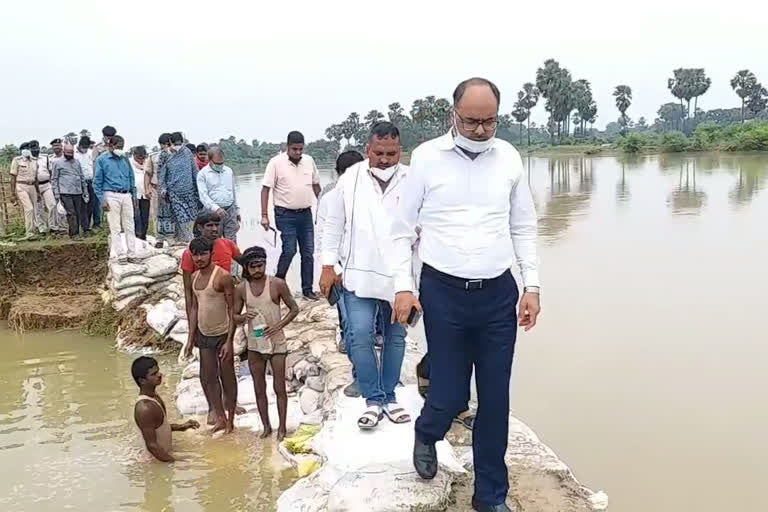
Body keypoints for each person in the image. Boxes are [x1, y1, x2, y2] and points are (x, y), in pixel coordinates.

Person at [390, 78, 541, 512]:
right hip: (443, 292)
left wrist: (531, 285)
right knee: (451, 393)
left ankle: (490, 497)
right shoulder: (426, 159)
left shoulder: (509, 158)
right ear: (453, 115)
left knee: (495, 399)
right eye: (472, 121)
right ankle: (427, 432)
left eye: (489, 121)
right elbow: (401, 230)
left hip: (497, 294)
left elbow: (524, 226)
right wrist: (403, 286)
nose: (480, 129)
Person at [319, 122, 411, 430]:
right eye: (379, 153)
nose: (385, 160)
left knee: (396, 336)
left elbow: (425, 232)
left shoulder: (412, 180)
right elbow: (333, 223)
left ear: (400, 151)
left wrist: (416, 284)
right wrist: (328, 265)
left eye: (392, 153)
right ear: (368, 149)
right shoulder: (351, 178)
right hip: (358, 273)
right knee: (359, 335)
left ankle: (389, 396)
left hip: (400, 277)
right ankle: (373, 398)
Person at [233, 246, 299, 441]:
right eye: (252, 266)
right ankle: (266, 427)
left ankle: (282, 428)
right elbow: (234, 316)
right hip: (255, 345)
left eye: (260, 265)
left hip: (277, 342)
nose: (257, 270)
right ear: (246, 267)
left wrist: (279, 325)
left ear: (265, 263)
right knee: (259, 387)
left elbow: (294, 309)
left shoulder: (277, 284)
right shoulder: (241, 289)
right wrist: (244, 316)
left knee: (280, 388)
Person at [315, 150, 364, 397]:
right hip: (343, 274)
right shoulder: (330, 199)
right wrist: (330, 269)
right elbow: (323, 236)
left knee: (384, 329)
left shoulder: (377, 197)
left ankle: (385, 378)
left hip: (373, 272)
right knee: (353, 325)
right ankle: (360, 375)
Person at [183, 237, 238, 434]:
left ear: (211, 254)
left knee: (227, 376)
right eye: (195, 255)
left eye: (203, 253)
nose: (199, 258)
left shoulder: (223, 277)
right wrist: (190, 339)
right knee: (208, 376)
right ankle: (220, 416)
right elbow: (194, 308)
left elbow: (233, 309)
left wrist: (230, 341)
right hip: (204, 335)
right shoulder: (194, 278)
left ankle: (231, 418)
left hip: (223, 334)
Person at [261, 131, 322, 300]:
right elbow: (266, 189)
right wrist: (264, 215)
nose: (298, 153)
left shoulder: (309, 161)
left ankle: (307, 290)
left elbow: (316, 186)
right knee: (289, 249)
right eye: (294, 149)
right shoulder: (276, 163)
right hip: (285, 214)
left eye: (301, 149)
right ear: (287, 147)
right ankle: (278, 284)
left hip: (305, 214)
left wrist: (325, 206)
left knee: (308, 252)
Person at [132, 356, 199, 462]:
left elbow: (161, 428)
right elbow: (152, 446)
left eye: (158, 371)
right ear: (142, 380)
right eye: (153, 374)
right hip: (155, 462)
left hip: (163, 457)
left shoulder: (154, 397)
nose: (159, 375)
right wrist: (174, 463)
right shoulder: (145, 408)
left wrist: (182, 427)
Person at [180, 213, 242, 321]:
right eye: (209, 226)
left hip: (227, 299)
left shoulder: (228, 244)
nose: (214, 229)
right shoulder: (190, 253)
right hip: (204, 303)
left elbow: (246, 263)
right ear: (200, 228)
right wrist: (191, 320)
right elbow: (188, 290)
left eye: (217, 225)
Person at [94, 135, 139, 264]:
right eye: (118, 146)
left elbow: (131, 177)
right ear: (111, 146)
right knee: (115, 227)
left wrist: (133, 195)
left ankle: (132, 253)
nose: (120, 149)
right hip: (111, 194)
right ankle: (120, 254)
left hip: (126, 194)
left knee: (130, 225)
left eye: (122, 147)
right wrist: (102, 200)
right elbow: (97, 181)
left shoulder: (124, 159)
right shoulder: (102, 160)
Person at [158, 132, 200, 243]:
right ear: (170, 143)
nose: (177, 146)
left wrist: (199, 187)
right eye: (175, 144)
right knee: (180, 216)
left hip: (189, 191)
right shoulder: (165, 155)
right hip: (174, 192)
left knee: (190, 216)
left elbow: (194, 170)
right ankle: (188, 240)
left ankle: (181, 238)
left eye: (179, 143)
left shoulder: (187, 152)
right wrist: (162, 188)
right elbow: (161, 173)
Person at [197, 146, 240, 242]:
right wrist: (216, 208)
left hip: (230, 209)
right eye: (217, 163)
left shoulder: (228, 171)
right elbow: (203, 196)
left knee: (232, 240)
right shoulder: (203, 174)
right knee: (214, 240)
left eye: (222, 163)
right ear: (210, 160)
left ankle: (232, 257)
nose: (220, 165)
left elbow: (233, 191)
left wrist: (237, 211)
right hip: (212, 213)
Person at [51, 143, 89, 238]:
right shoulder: (57, 163)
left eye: (71, 152)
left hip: (77, 191)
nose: (70, 154)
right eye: (68, 152)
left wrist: (85, 191)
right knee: (71, 213)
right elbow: (54, 179)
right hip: (65, 192)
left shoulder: (76, 162)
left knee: (78, 212)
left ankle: (77, 231)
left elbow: (81, 177)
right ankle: (74, 234)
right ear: (64, 152)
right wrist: (56, 193)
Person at [29, 139, 63, 235]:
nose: (36, 150)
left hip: (47, 184)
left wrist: (52, 184)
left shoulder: (45, 158)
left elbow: (50, 171)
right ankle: (42, 228)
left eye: (37, 147)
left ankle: (53, 227)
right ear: (30, 149)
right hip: (34, 187)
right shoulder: (28, 159)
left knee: (52, 205)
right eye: (33, 148)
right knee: (38, 208)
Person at [9, 142, 39, 239]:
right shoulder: (17, 160)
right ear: (21, 150)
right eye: (25, 148)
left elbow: (36, 177)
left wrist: (38, 192)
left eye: (28, 147)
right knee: (29, 208)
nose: (27, 149)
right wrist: (12, 194)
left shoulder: (34, 161)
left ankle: (35, 231)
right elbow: (13, 177)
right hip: (21, 186)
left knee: (35, 209)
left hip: (32, 186)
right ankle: (29, 233)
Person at [150, 133, 174, 242]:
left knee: (171, 214)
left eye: (169, 144)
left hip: (172, 190)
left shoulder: (176, 156)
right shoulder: (154, 157)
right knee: (157, 213)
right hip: (156, 189)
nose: (167, 146)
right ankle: (159, 238)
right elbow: (148, 173)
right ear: (161, 144)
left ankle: (171, 237)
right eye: (165, 144)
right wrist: (147, 189)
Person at [75, 136, 98, 233]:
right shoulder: (75, 155)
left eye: (86, 147)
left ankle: (87, 225)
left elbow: (93, 165)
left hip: (91, 181)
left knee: (91, 205)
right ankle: (84, 227)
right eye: (83, 147)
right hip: (80, 183)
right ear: (79, 145)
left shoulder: (90, 153)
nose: (84, 149)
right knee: (83, 206)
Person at [130, 146, 151, 240]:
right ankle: (136, 234)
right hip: (134, 193)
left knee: (145, 216)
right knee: (135, 215)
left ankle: (143, 235)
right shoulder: (129, 163)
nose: (141, 161)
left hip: (145, 193)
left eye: (143, 158)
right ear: (134, 156)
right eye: (139, 158)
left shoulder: (148, 163)